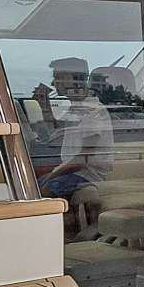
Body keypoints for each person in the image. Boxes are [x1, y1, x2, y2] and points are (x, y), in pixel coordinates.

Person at [29, 57, 113, 236]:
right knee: (34, 185)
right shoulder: (77, 109)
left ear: (75, 79)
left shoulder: (93, 112)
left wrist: (53, 173)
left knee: (43, 190)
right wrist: (44, 107)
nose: (53, 82)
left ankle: (50, 237)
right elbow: (58, 131)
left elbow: (82, 159)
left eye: (59, 77)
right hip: (74, 171)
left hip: (86, 175)